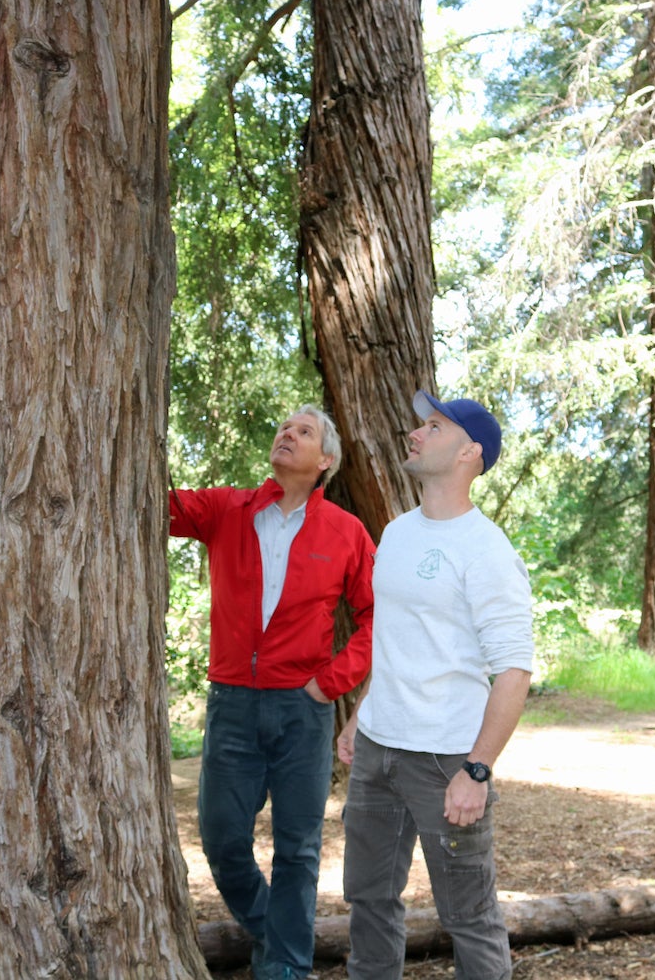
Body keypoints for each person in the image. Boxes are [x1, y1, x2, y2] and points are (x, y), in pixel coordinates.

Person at [170, 405, 376, 980]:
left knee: (299, 849)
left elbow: (377, 617)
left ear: (325, 461)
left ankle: (283, 969)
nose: (287, 433)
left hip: (302, 712)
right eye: (283, 427)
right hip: (232, 703)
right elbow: (150, 500)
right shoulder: (226, 509)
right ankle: (280, 936)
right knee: (222, 840)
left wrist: (329, 684)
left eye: (303, 432)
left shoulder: (346, 532)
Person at [337, 390, 534, 980]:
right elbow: (397, 640)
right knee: (369, 900)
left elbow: (514, 671)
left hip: (446, 758)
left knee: (469, 917)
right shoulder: (396, 534)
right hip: (377, 750)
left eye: (434, 426)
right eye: (420, 423)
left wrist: (477, 770)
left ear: (469, 453)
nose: (416, 434)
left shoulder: (487, 550)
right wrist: (358, 716)